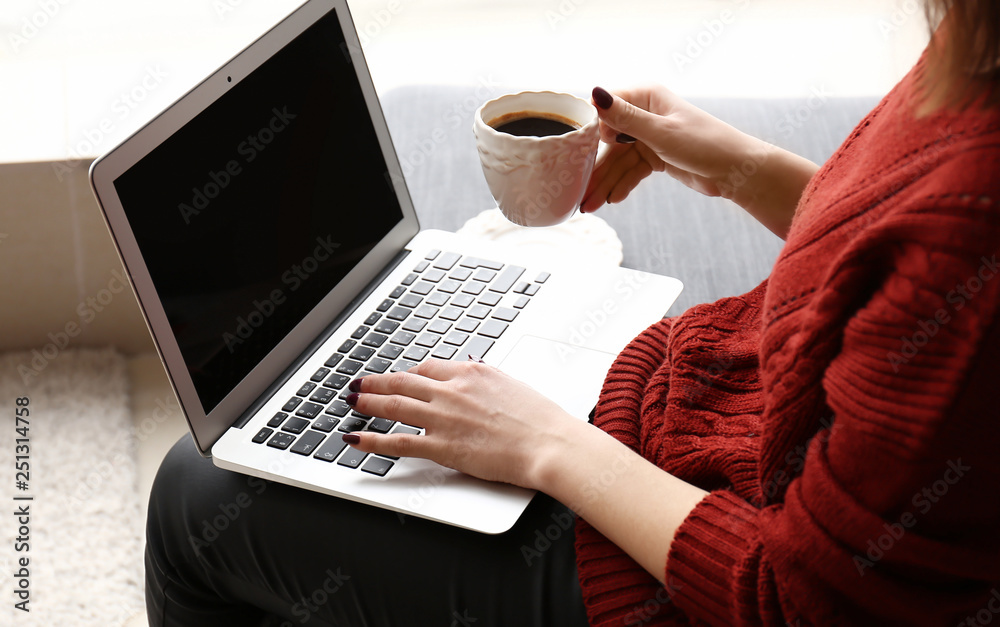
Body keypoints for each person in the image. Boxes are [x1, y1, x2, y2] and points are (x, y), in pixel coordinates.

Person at [145, 1, 1000, 624]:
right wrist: (740, 167)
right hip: (689, 413)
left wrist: (550, 444)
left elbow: (799, 603)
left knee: (195, 491)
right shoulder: (978, 42)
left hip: (684, 574)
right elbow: (891, 260)